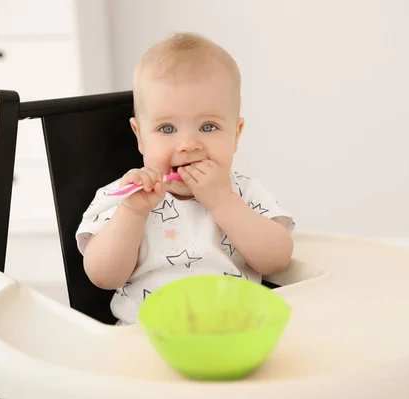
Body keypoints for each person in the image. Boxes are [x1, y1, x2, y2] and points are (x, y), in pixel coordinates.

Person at [75, 32, 295, 325]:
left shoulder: (244, 191)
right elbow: (102, 277)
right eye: (167, 129)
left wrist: (223, 202)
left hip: (233, 334)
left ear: (236, 135)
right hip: (145, 340)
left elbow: (277, 260)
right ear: (139, 137)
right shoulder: (125, 195)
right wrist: (132, 212)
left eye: (208, 126)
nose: (188, 144)